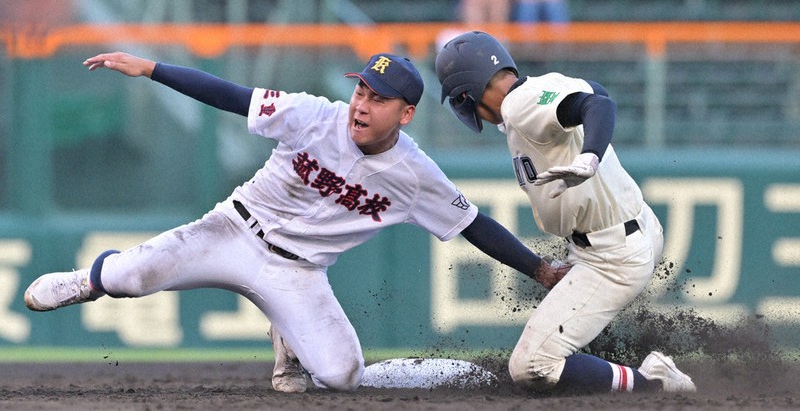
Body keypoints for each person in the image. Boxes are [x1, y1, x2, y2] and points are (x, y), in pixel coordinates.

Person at [24, 51, 570, 393]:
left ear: (405, 114)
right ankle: (86, 281)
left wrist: (539, 269)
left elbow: (474, 225)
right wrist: (152, 69)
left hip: (299, 273)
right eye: (360, 89)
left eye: (378, 99)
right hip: (233, 230)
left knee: (340, 377)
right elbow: (232, 97)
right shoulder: (314, 114)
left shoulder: (416, 175)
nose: (361, 104)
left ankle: (288, 336)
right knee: (127, 279)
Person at [434, 31, 696, 394]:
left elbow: (599, 106)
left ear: (466, 93)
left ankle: (652, 382)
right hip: (629, 230)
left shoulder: (518, 104)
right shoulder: (537, 88)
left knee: (531, 366)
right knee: (559, 339)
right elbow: (597, 91)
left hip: (611, 255)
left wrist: (589, 155)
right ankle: (603, 370)